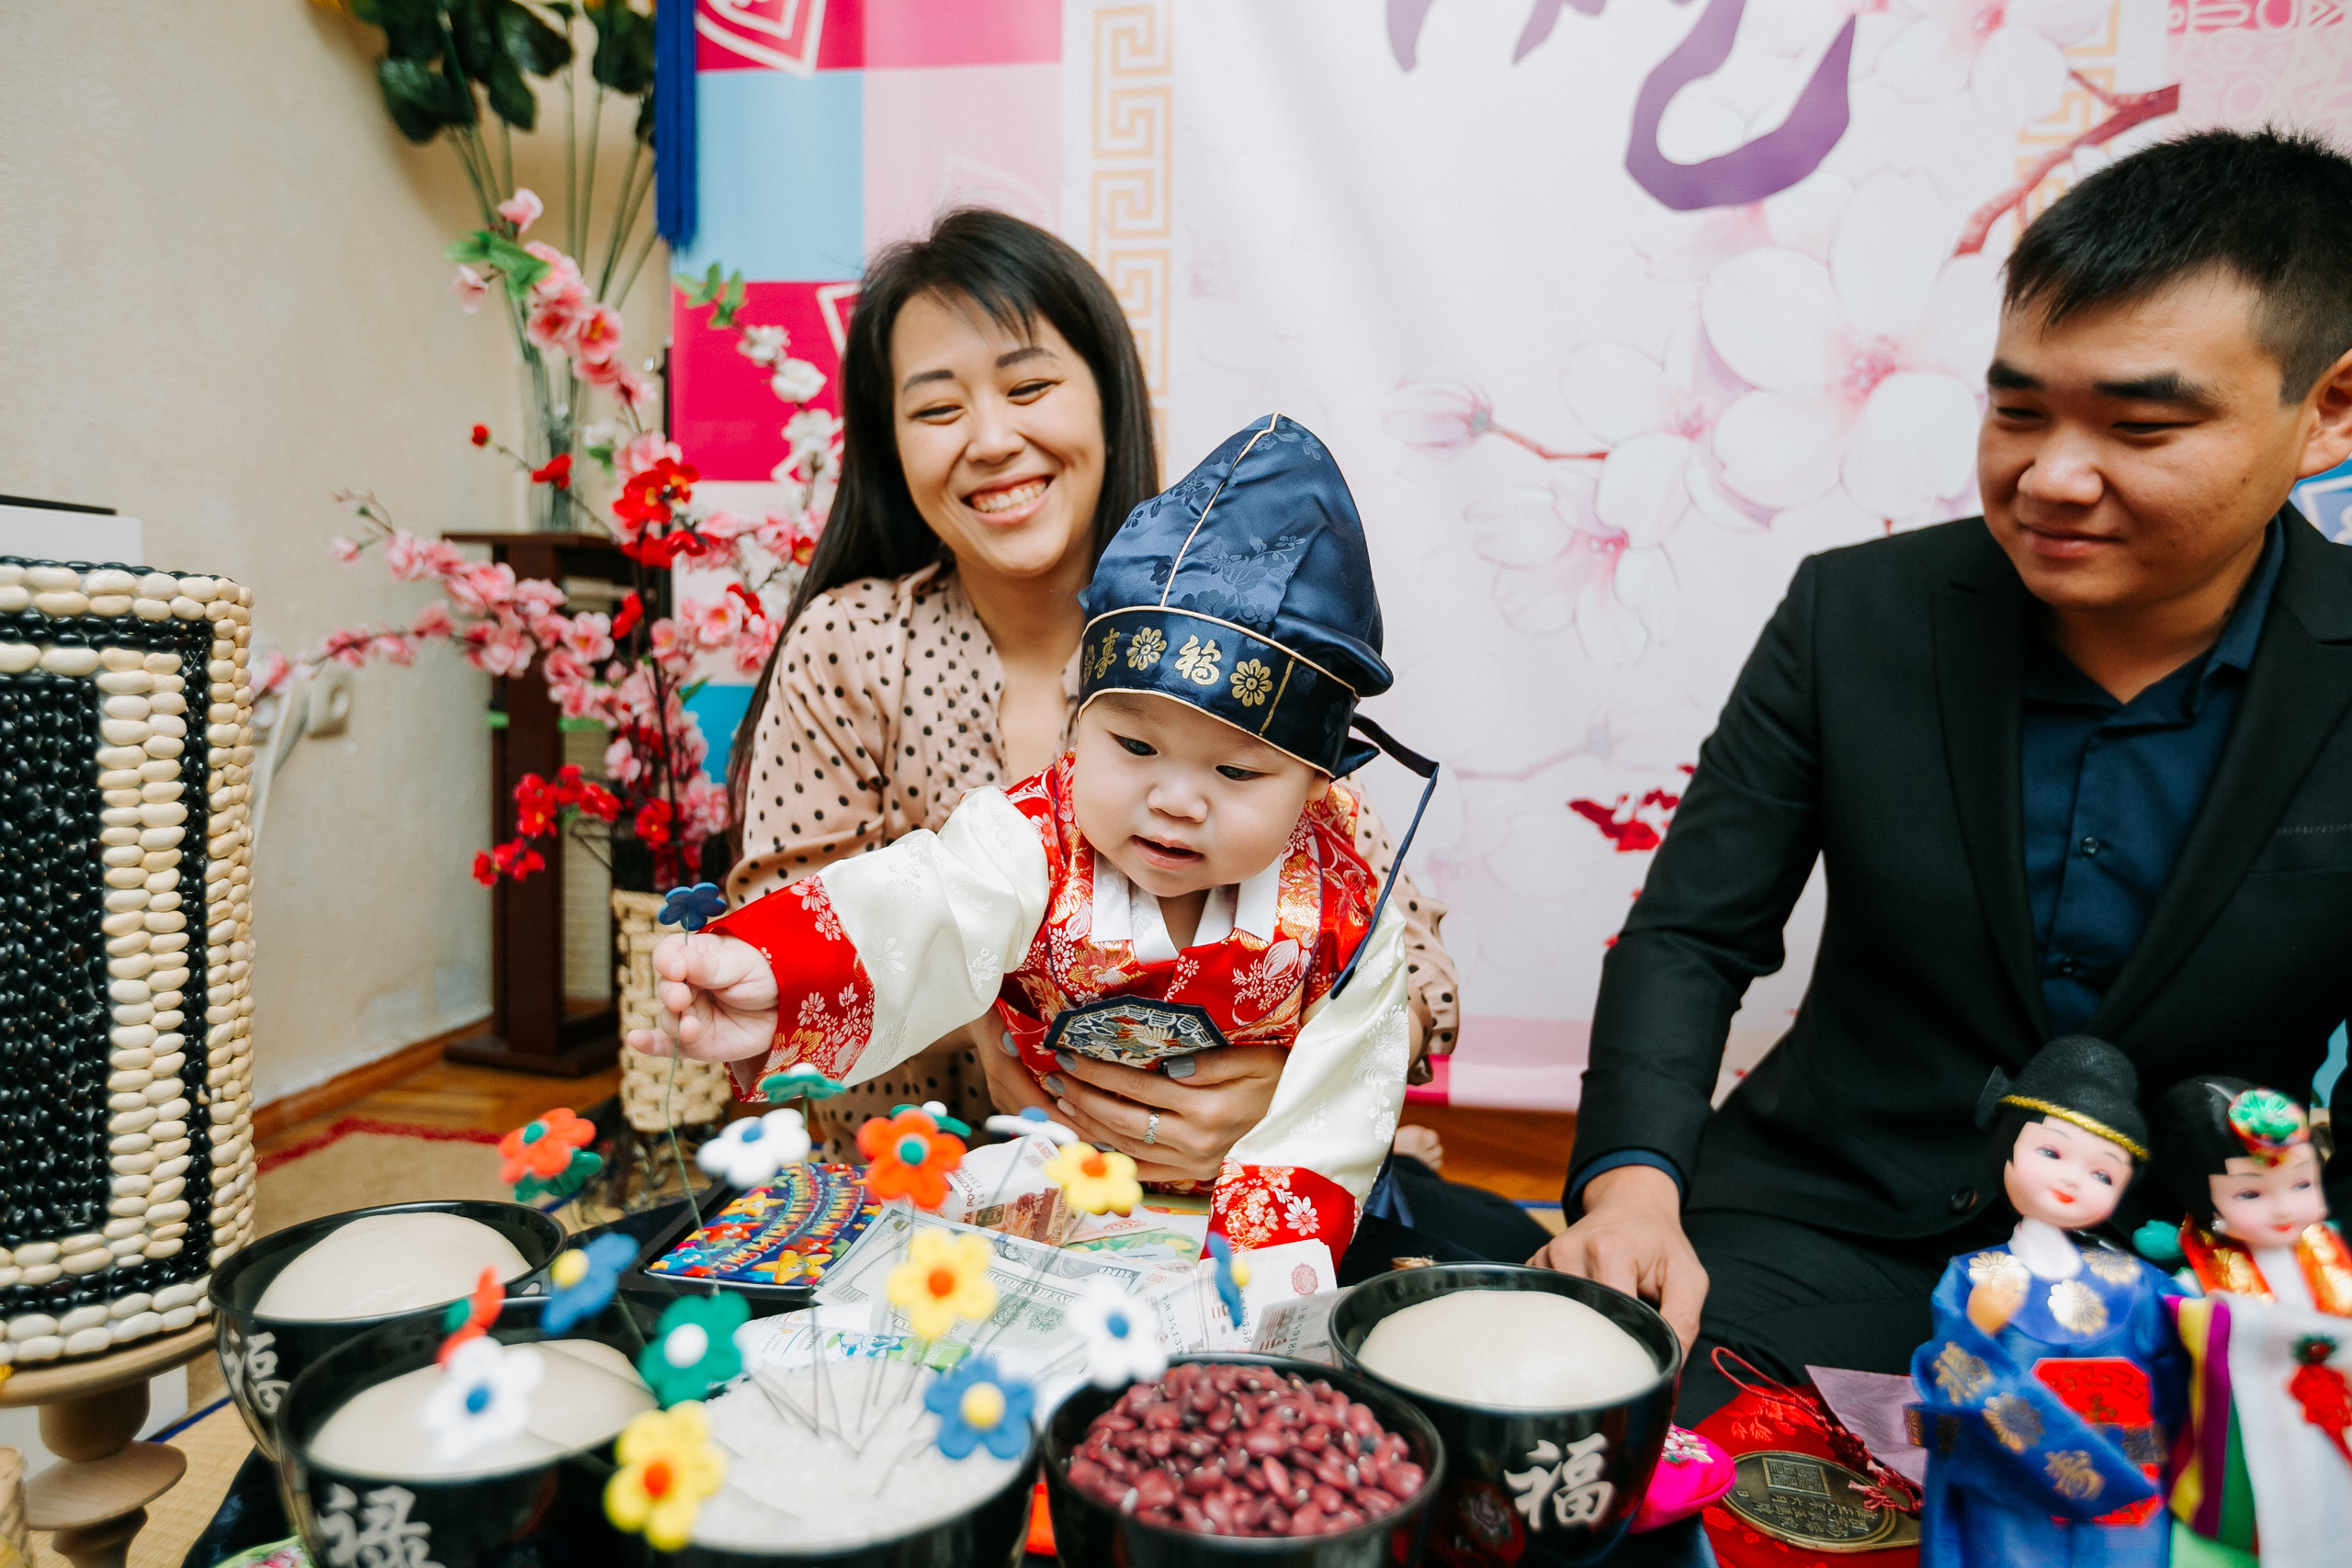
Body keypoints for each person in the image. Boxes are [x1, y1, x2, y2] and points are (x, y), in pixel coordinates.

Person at [1535, 125, 2352, 1421]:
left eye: (2142, 425)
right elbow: (1693, 934)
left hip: (2183, 1275)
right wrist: (1632, 1186)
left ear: (2329, 410)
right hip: (1818, 1230)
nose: (2052, 477)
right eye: (2018, 408)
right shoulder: (1855, 616)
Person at [721, 209, 1461, 1179]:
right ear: (888, 445)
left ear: (1108, 398)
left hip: (1228, 1191)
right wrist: (984, 1011)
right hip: (931, 1187)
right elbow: (785, 933)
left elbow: (1415, 969)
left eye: (1029, 387)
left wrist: (1291, 1077)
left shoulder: (1226, 630)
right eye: (937, 409)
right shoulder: (854, 645)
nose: (991, 439)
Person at [640, 413, 1426, 1257]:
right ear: (1078, 718)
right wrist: (771, 973)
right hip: (1049, 1192)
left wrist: (1250, 1290)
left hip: (1235, 1228)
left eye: (1236, 774)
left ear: (1318, 783)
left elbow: (1336, 1119)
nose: (1175, 800)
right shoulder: (1028, 837)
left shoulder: (1344, 910)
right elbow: (923, 910)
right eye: (1132, 745)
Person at [1907, 1036, 2183, 1567]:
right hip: (2012, 1468)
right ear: (2006, 1146)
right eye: (2051, 1152)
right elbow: (1950, 1372)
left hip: (2124, 1470)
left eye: (2102, 1172)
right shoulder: (1975, 1275)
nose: (2071, 1179)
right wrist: (1976, 1328)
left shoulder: (2141, 1281)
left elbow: (2174, 1381)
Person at [2149, 1076, 2351, 1565]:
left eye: (2301, 1183)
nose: (2284, 1207)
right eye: (2250, 1194)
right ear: (2205, 1199)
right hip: (2236, 1431)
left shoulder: (2332, 1254)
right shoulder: (2191, 1282)